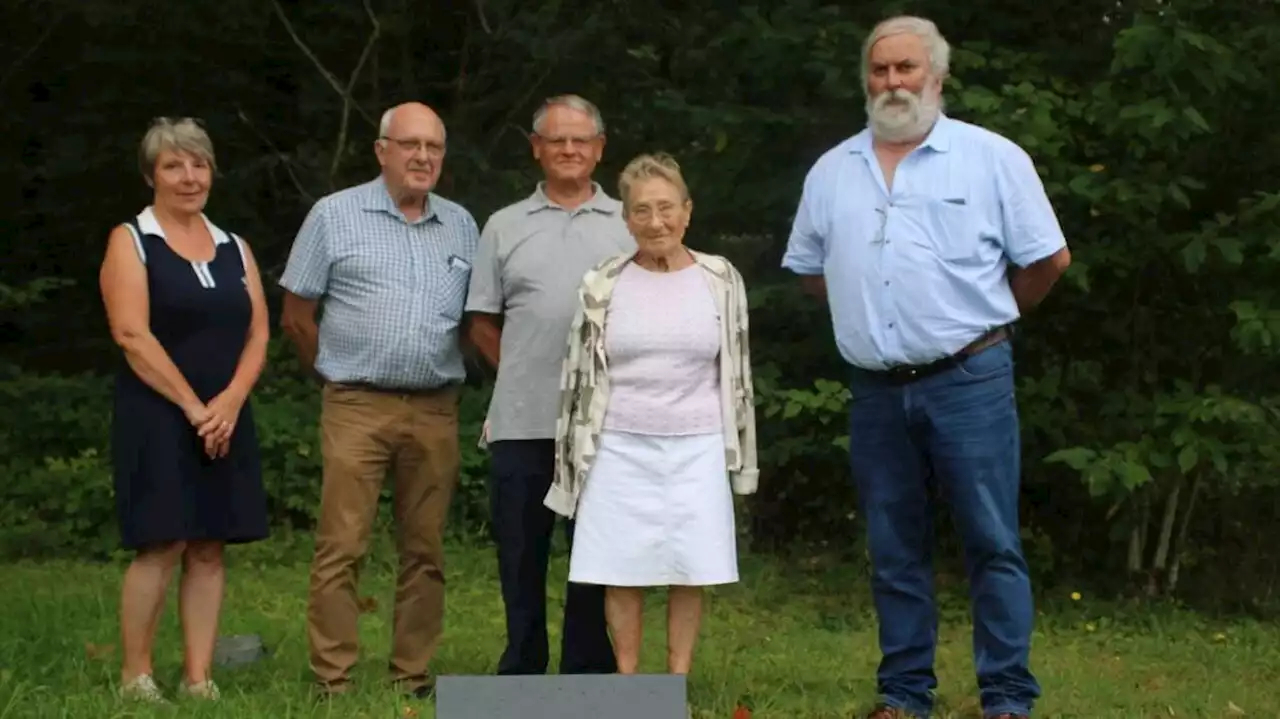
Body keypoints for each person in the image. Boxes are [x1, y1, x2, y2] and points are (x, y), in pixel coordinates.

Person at [781, 15, 1071, 719]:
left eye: (907, 69)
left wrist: (982, 321)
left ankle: (1006, 697)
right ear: (866, 81)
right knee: (893, 546)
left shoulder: (991, 158)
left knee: (992, 539)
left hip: (970, 378)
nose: (893, 83)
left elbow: (1048, 260)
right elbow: (813, 271)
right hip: (876, 390)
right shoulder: (832, 169)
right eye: (880, 71)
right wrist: (876, 324)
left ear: (936, 77)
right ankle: (904, 694)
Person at [278, 102, 479, 698]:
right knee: (342, 543)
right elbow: (296, 316)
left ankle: (410, 675)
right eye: (410, 144)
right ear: (381, 150)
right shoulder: (334, 216)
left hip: (435, 407)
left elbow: (474, 319)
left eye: (434, 148)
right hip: (357, 404)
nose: (422, 158)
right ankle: (332, 678)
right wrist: (335, 379)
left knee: (427, 548)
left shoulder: (462, 224)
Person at [544, 152, 759, 676]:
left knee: (691, 568)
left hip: (698, 444)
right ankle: (629, 685)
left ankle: (676, 681)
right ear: (626, 218)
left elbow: (738, 372)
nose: (655, 221)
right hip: (618, 444)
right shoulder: (603, 282)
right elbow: (578, 376)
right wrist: (571, 457)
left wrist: (741, 456)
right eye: (641, 210)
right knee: (622, 569)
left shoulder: (720, 279)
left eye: (666, 208)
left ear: (687, 211)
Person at [100, 116, 271, 703]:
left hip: (225, 415)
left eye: (198, 163)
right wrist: (195, 408)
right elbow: (131, 334)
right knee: (163, 541)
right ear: (152, 174)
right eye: (174, 165)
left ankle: (199, 677)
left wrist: (229, 402)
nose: (189, 176)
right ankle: (137, 676)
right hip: (158, 415)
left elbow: (258, 333)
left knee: (209, 543)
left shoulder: (235, 246)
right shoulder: (131, 240)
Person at [464, 95, 631, 675]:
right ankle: (523, 669)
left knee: (595, 554)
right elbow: (481, 319)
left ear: (599, 149)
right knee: (521, 554)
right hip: (522, 419)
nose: (568, 150)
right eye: (555, 140)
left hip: (605, 425)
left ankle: (587, 672)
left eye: (580, 140)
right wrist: (518, 369)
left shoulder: (629, 223)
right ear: (536, 148)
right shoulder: (504, 225)